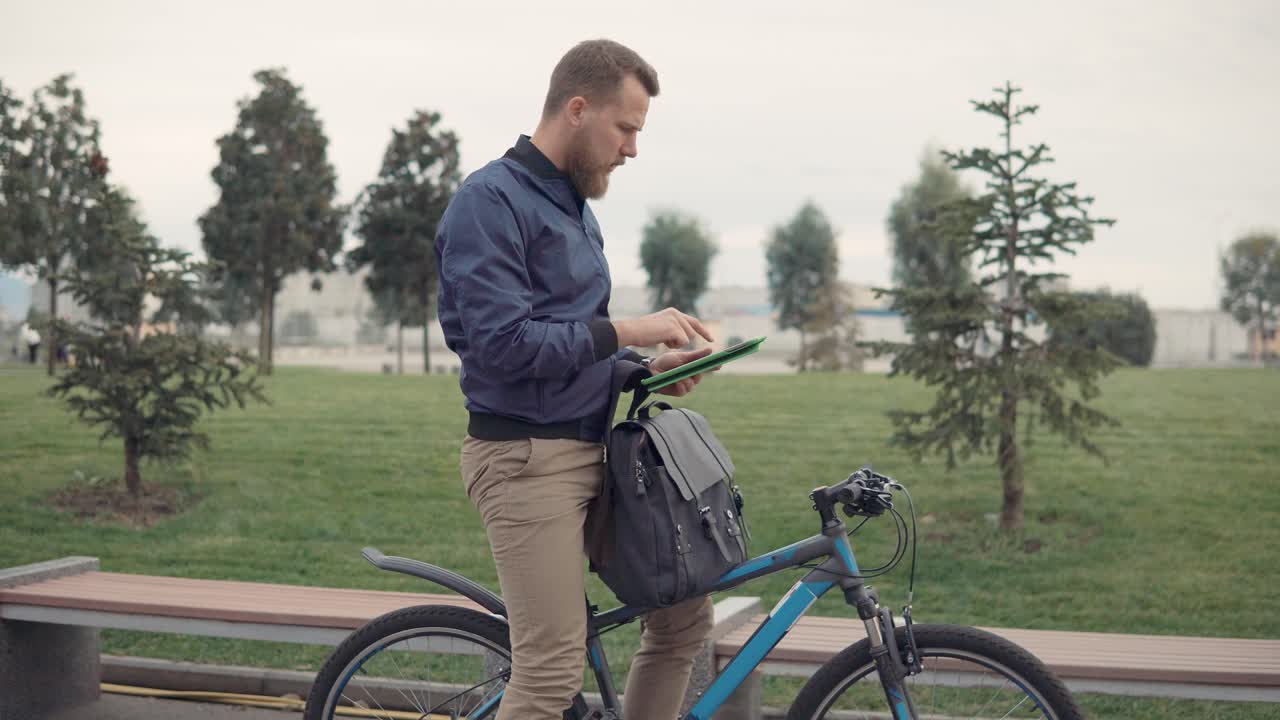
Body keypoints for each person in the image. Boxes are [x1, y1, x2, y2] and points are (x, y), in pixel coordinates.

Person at [435, 39, 718, 720]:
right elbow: (504, 348)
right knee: (551, 667)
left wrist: (646, 370)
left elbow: (570, 346)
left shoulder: (572, 208)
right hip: (526, 462)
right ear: (578, 109)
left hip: (599, 453)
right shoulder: (489, 202)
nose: (632, 149)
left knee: (683, 622)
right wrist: (630, 331)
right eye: (626, 128)